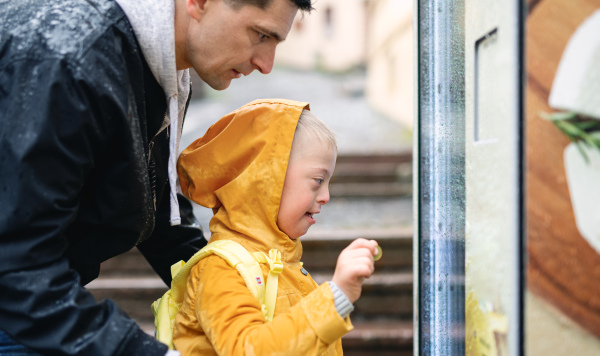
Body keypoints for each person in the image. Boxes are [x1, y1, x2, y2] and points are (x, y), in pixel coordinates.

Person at [0, 0, 312, 355]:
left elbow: (152, 195)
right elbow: (18, 259)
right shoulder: (69, 59)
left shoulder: (165, 69)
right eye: (260, 35)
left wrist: (229, 285)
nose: (266, 64)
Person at [173, 99, 379, 355]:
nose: (326, 196)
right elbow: (248, 349)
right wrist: (334, 300)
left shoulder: (283, 266)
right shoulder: (220, 269)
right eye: (318, 180)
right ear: (264, 181)